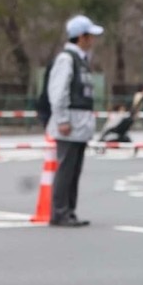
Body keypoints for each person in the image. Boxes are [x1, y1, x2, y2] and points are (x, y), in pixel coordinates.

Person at [45, 14, 103, 227]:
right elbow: (58, 92)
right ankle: (60, 211)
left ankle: (69, 210)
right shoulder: (67, 59)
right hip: (69, 123)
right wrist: (62, 119)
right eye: (90, 36)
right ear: (81, 37)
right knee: (66, 169)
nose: (93, 40)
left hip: (79, 124)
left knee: (73, 170)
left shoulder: (81, 60)